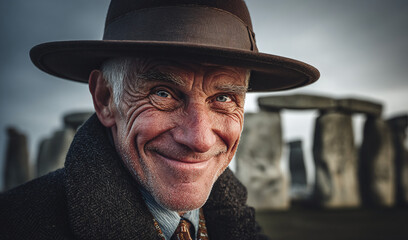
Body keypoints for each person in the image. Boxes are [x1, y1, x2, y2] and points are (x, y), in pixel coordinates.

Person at [0, 0, 319, 239]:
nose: (199, 139)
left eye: (223, 98)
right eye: (163, 93)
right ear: (105, 98)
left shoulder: (234, 219)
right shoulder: (16, 224)